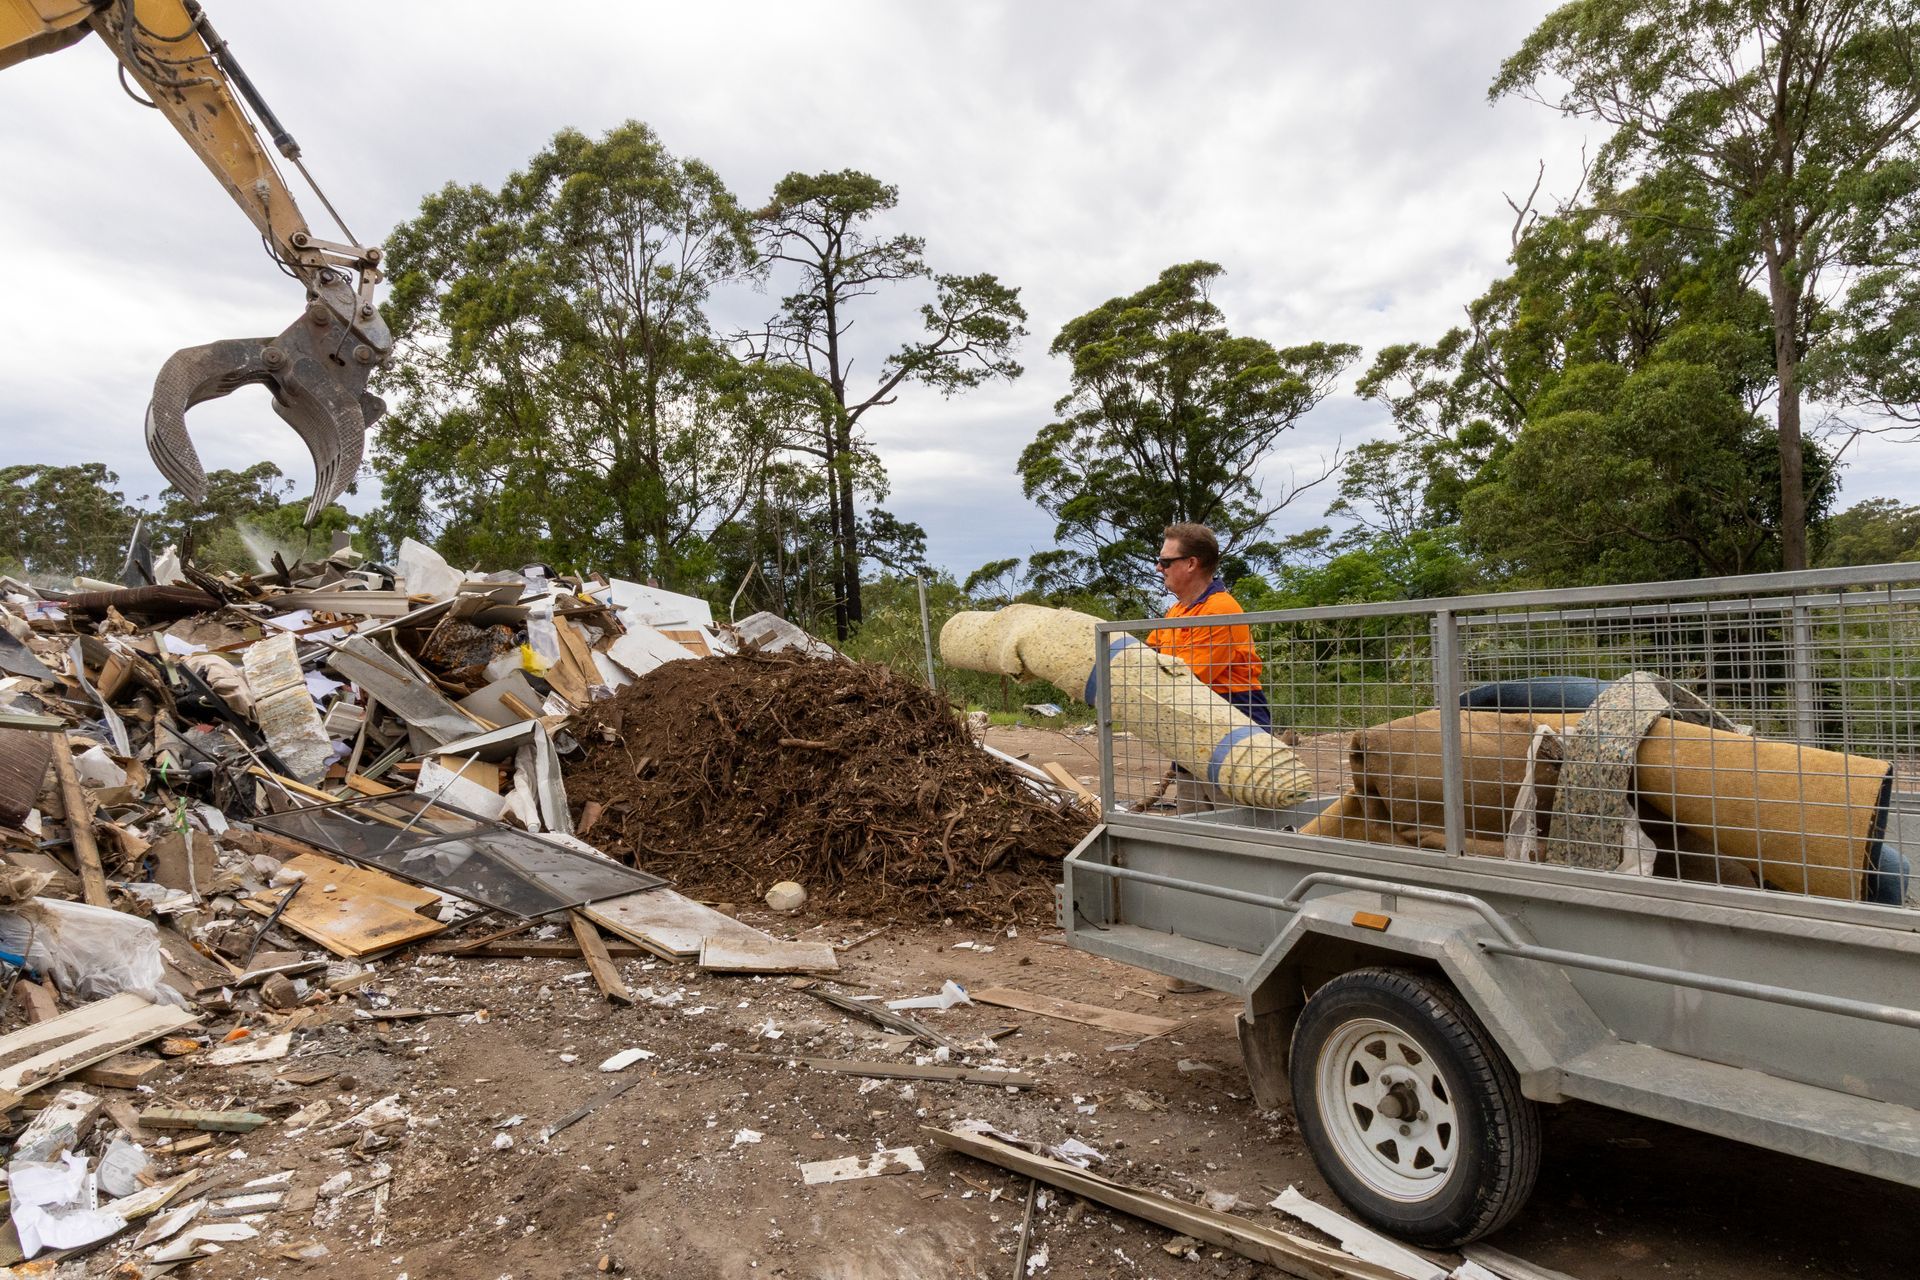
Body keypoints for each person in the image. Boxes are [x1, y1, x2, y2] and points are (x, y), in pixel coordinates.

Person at [1144, 522, 1274, 728]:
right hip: (1197, 711)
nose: (1159, 568)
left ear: (1191, 564)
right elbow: (1146, 655)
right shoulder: (1176, 611)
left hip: (1236, 710)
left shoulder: (1219, 610)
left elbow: (1186, 677)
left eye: (1165, 562)